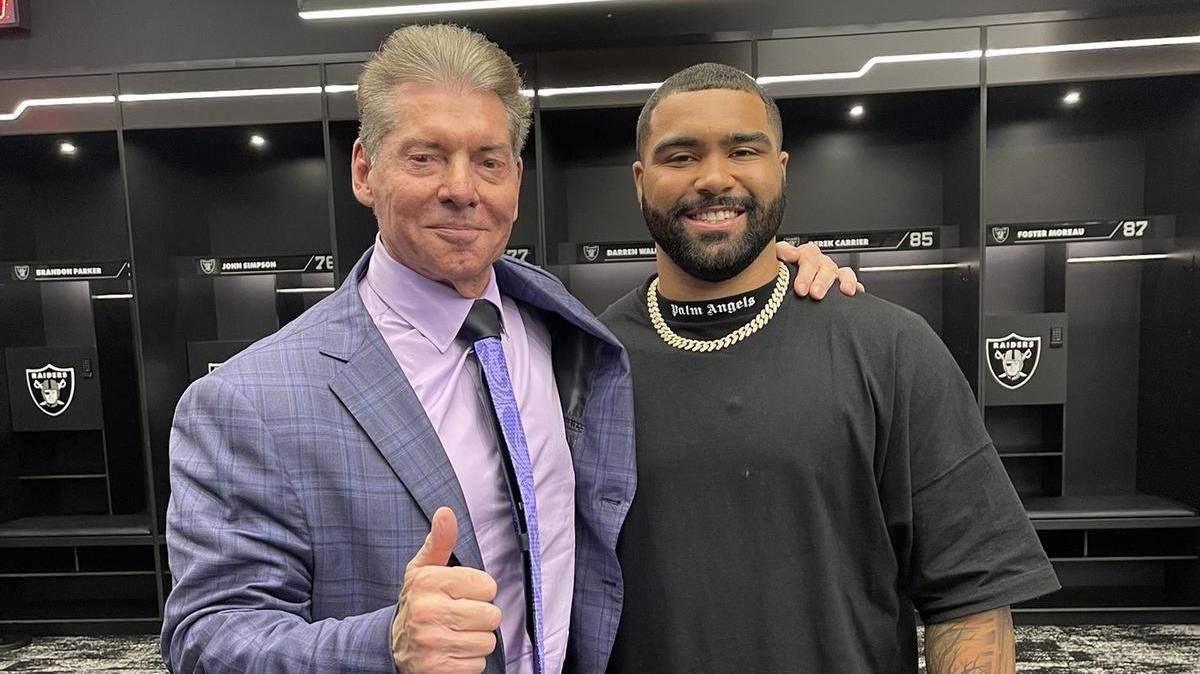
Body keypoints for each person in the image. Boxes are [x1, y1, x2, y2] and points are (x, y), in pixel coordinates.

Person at [160, 26, 859, 674]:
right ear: (365, 171)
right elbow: (205, 637)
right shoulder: (247, 402)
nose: (460, 189)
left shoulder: (572, 335)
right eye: (426, 156)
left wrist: (777, 273)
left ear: (516, 183)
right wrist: (385, 643)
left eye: (488, 161)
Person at [599, 63, 1061, 674]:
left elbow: (969, 597)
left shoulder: (891, 347)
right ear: (640, 180)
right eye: (680, 156)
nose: (714, 178)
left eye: (743, 149)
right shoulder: (587, 361)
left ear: (780, 170)